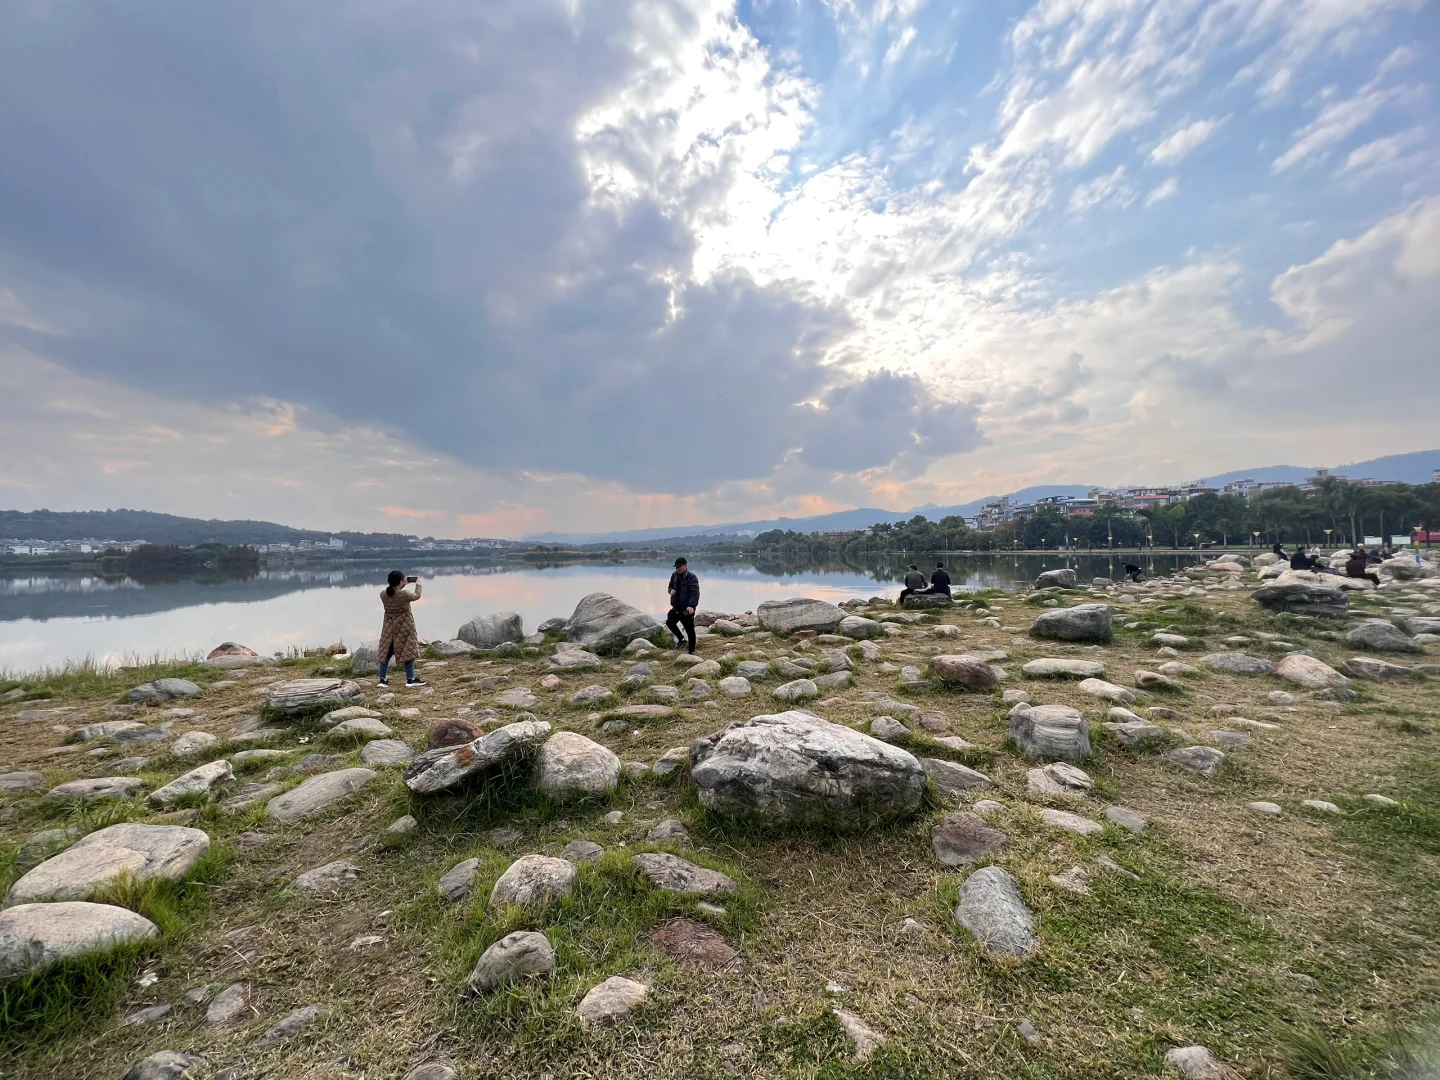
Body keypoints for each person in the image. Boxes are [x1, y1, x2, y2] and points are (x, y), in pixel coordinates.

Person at [377, 570, 425, 688]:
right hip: (404, 627)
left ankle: (382, 680)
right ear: (400, 581)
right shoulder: (405, 595)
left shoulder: (383, 594)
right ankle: (410, 679)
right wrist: (418, 584)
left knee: (386, 654)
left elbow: (394, 593)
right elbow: (416, 596)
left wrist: (402, 584)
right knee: (408, 652)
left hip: (389, 628)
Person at [666, 557, 699, 653]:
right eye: (676, 567)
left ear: (685, 565)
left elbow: (695, 594)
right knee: (669, 622)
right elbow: (670, 586)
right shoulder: (674, 575)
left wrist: (691, 606)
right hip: (676, 606)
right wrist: (670, 590)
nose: (678, 569)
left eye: (679, 567)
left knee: (690, 630)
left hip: (687, 608)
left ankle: (692, 651)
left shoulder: (692, 577)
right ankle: (681, 639)